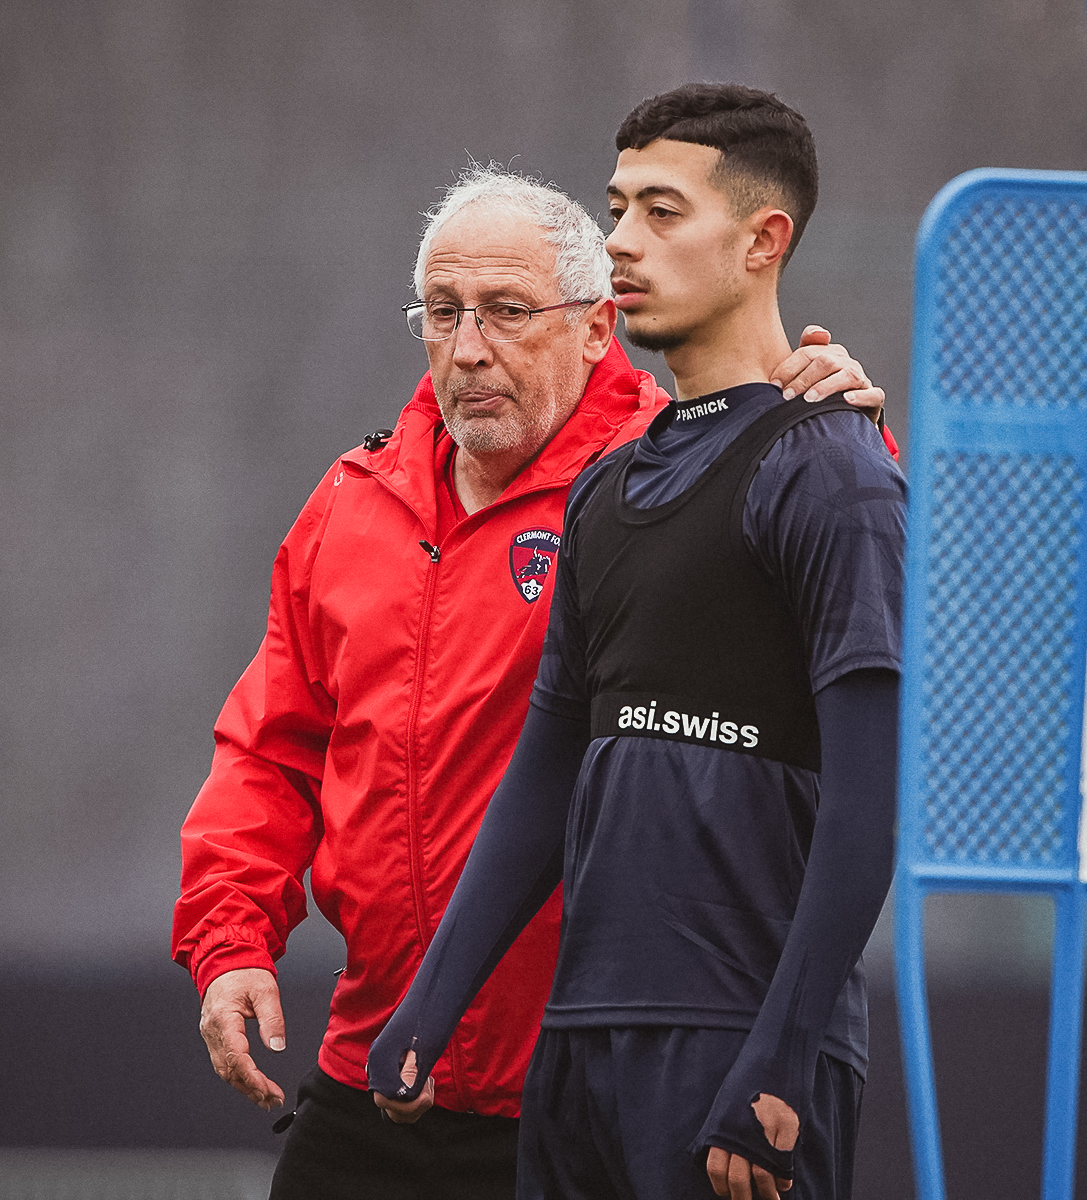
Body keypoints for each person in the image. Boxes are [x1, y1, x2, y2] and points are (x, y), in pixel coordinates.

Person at [172, 163, 888, 1200]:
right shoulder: (349, 503)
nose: (470, 348)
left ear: (599, 328)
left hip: (571, 1087)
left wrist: (834, 407)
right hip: (380, 1066)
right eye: (444, 312)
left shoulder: (672, 465)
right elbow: (270, 751)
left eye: (508, 312)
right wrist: (231, 938)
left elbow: (833, 558)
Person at [368, 86, 905, 1200]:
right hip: (579, 1046)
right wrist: (432, 999)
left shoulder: (835, 470)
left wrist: (781, 1059)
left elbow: (867, 808)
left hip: (737, 1055)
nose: (617, 241)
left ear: (764, 242)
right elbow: (545, 770)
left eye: (661, 212)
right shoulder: (606, 485)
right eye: (616, 209)